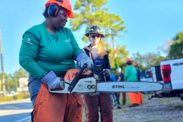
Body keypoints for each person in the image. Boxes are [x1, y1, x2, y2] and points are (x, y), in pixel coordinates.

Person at [19, 0, 93, 121]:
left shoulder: (67, 32)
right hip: (43, 82)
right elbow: (25, 59)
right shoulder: (34, 33)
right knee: (48, 117)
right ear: (52, 10)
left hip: (70, 80)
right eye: (64, 15)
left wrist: (83, 58)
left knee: (73, 117)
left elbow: (75, 49)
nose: (66, 19)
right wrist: (48, 78)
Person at [80, 25, 113, 122]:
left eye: (97, 36)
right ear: (89, 37)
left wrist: (108, 72)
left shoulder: (104, 53)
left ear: (100, 38)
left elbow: (108, 68)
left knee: (107, 112)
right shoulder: (84, 51)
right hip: (89, 85)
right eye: (93, 36)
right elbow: (80, 69)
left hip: (103, 84)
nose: (95, 38)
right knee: (91, 113)